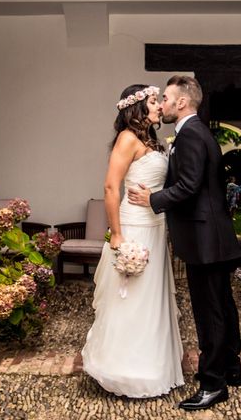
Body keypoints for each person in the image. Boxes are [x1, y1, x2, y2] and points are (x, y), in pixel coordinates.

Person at [128, 75, 241, 411]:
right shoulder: (196, 132)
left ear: (181, 102)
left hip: (205, 240)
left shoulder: (191, 134)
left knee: (209, 314)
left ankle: (213, 384)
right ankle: (230, 368)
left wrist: (153, 198)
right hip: (213, 236)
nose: (160, 103)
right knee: (222, 306)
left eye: (165, 98)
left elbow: (190, 186)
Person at [81, 84, 184, 398]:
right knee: (131, 298)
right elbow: (111, 188)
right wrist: (117, 236)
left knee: (151, 298)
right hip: (134, 226)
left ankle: (152, 366)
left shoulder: (151, 142)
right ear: (138, 108)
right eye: (154, 102)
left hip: (155, 226)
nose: (159, 107)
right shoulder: (127, 138)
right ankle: (122, 369)